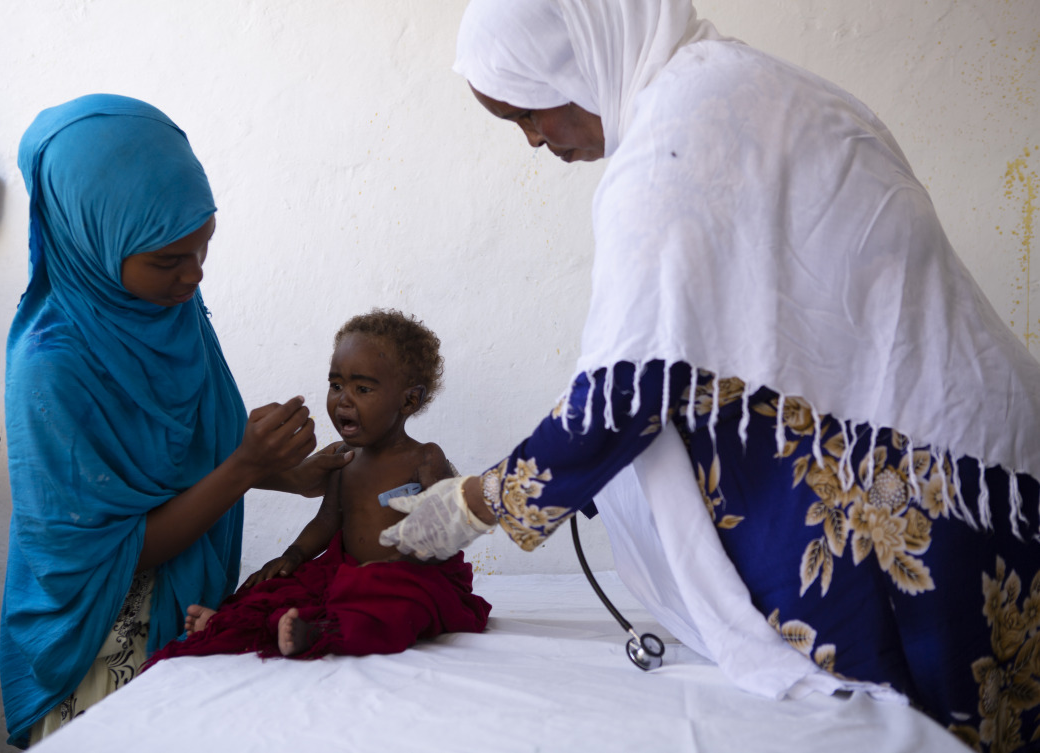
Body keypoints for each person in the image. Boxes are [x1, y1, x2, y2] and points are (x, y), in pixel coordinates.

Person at [378, 2, 1040, 752]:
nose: (533, 138)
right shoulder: (741, 86)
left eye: (528, 110)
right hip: (973, 440)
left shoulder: (676, 136)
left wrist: (475, 500)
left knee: (956, 714)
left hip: (933, 481)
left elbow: (626, 394)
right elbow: (709, 359)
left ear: (578, 59)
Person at [0, 94, 349, 748]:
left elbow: (182, 463)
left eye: (203, 246)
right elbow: (109, 555)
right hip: (96, 646)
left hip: (185, 610)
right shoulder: (52, 365)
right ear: (92, 235)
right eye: (167, 260)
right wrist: (247, 465)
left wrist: (288, 473)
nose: (193, 276)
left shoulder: (169, 315)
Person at [143, 309, 491, 663]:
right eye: (336, 385)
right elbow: (327, 521)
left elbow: (449, 525)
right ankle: (234, 624)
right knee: (276, 589)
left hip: (412, 575)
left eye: (363, 388)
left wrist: (401, 561)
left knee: (397, 610)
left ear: (408, 401)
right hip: (348, 570)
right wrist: (292, 555)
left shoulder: (425, 458)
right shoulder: (344, 456)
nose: (344, 399)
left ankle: (321, 633)